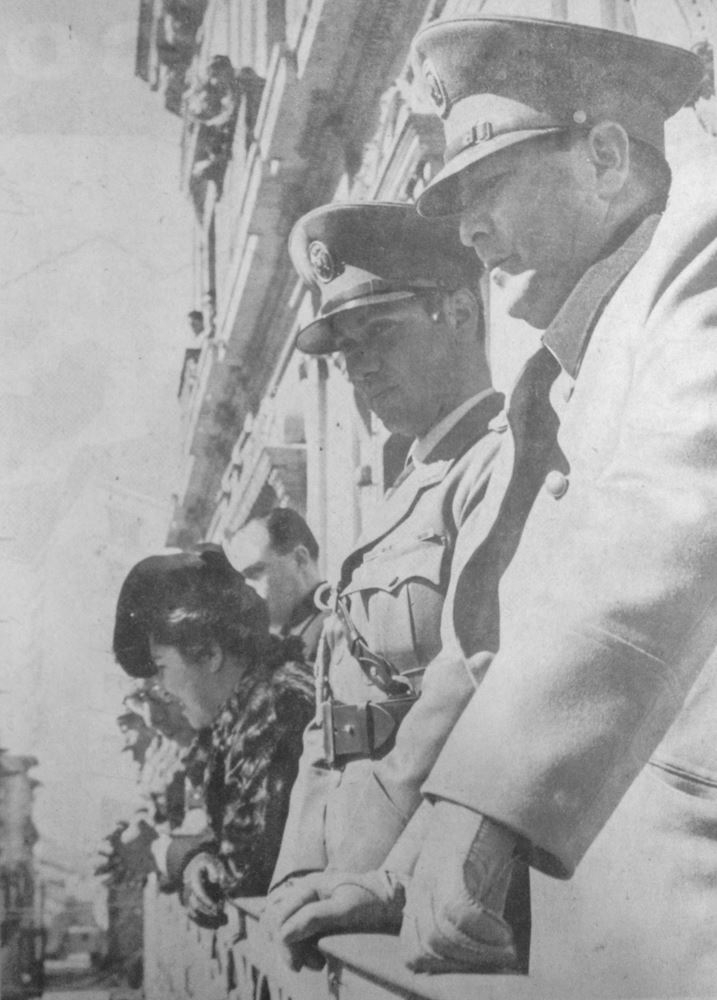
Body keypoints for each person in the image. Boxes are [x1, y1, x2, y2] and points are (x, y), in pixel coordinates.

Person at [270, 16, 717, 996]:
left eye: (489, 185)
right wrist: (400, 871)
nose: (466, 231)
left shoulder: (702, 264)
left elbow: (661, 526)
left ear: (605, 158)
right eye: (454, 201)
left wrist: (479, 819)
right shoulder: (573, 365)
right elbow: (517, 647)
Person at [264, 200, 531, 969]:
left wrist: (374, 875)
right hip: (350, 894)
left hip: (429, 896)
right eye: (343, 348)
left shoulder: (502, 466)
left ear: (459, 314)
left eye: (378, 332)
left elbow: (468, 694)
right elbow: (333, 720)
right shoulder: (401, 491)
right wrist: (299, 874)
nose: (356, 366)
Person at [112, 545, 314, 929]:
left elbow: (242, 874)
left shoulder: (272, 707)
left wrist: (165, 851)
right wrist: (194, 859)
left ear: (209, 654)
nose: (162, 689)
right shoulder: (246, 710)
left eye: (162, 667)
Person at [224, 507, 329, 665]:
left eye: (256, 572)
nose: (247, 589)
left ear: (299, 559)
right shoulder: (284, 636)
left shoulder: (335, 626)